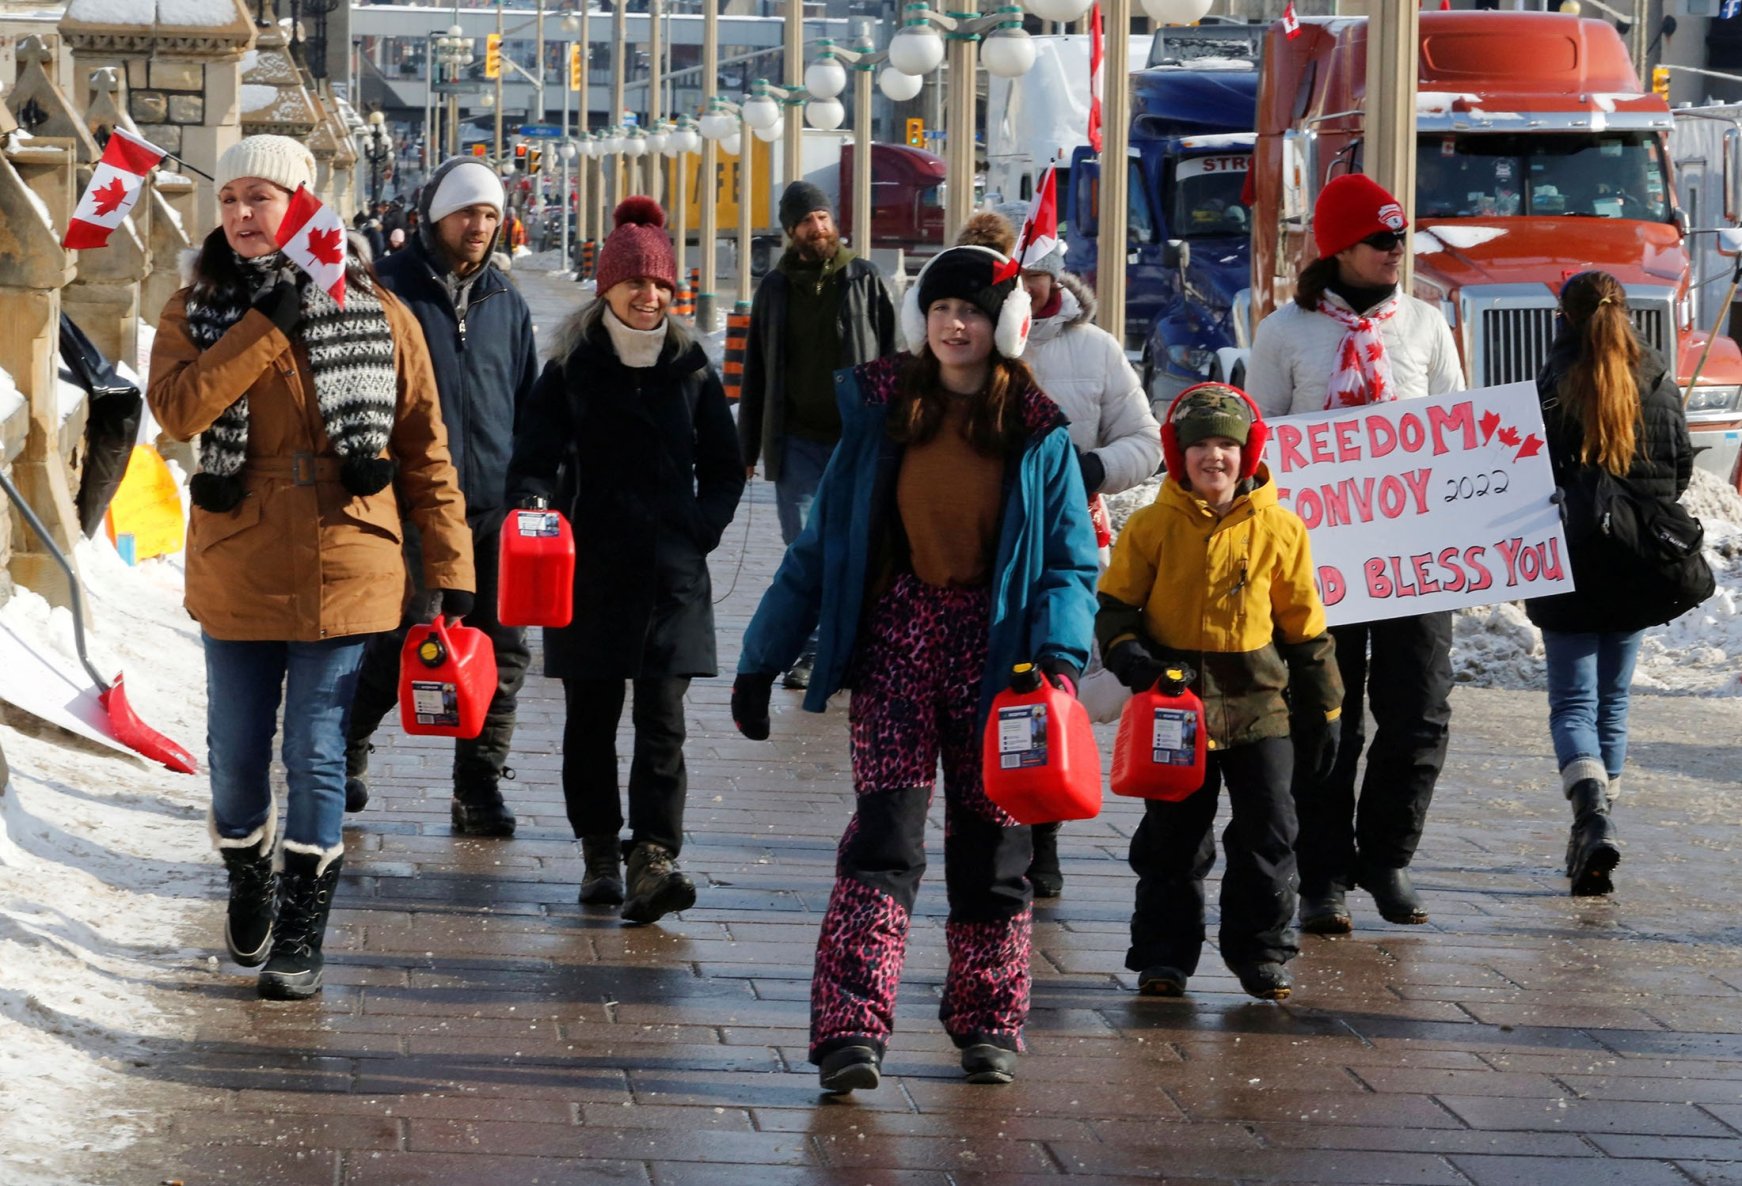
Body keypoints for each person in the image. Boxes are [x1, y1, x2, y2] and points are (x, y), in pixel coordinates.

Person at [731, 245, 1099, 1093]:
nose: (954, 325)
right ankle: (851, 1028)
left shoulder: (1036, 433)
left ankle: (988, 1020)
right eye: (939, 310)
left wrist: (1057, 659)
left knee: (993, 848)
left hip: (1000, 662)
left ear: (1004, 325)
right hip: (899, 645)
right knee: (884, 838)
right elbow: (820, 552)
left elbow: (1069, 566)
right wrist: (762, 660)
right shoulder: (882, 413)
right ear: (919, 319)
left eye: (971, 311)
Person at [147, 135, 474, 999]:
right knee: (236, 753)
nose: (243, 215)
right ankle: (248, 868)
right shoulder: (196, 308)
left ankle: (302, 927)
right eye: (231, 200)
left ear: (302, 206)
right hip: (238, 553)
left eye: (262, 198)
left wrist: (451, 565)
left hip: (348, 546)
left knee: (318, 748)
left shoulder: (379, 308)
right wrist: (266, 326)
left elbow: (423, 447)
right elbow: (179, 410)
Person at [507, 196, 745, 923]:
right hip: (587, 572)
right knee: (592, 719)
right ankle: (600, 853)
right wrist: (539, 510)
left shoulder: (691, 368)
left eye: (661, 287)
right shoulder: (572, 369)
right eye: (635, 284)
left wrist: (699, 529)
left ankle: (655, 854)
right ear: (607, 287)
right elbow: (532, 461)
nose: (649, 297)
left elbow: (728, 466)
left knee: (664, 721)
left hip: (673, 575)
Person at [1245, 173, 1464, 934]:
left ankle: (1389, 857)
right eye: (1380, 240)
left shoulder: (1427, 327)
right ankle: (1324, 874)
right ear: (1339, 247)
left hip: (1410, 559)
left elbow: (1451, 431)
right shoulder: (1284, 334)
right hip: (1318, 564)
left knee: (1422, 710)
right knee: (1325, 715)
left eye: (1402, 239)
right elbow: (1257, 443)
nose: (1395, 252)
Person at [1098, 383, 1342, 1001]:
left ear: (1248, 453)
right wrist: (1132, 659)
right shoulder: (1152, 526)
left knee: (1270, 831)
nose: (1214, 457)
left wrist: (1326, 706)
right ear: (1179, 455)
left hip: (1260, 704)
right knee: (1173, 838)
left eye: (1227, 445)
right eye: (1200, 445)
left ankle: (1260, 952)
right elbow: (1116, 609)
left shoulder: (1282, 529)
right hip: (1175, 706)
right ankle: (1164, 956)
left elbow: (1305, 625)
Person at [958, 208, 1163, 898]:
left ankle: (1040, 834)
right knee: (983, 696)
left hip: (1065, 543)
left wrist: (1091, 470)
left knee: (1052, 685)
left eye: (1034, 273)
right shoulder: (965, 343)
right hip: (977, 547)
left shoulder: (1096, 349)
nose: (1026, 287)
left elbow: (1147, 438)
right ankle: (987, 826)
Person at [342, 157, 541, 836]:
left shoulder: (505, 304)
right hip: (412, 504)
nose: (480, 226)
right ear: (436, 217)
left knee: (502, 649)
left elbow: (526, 406)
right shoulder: (388, 292)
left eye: (489, 214)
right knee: (403, 636)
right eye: (467, 213)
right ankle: (347, 746)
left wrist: (531, 490)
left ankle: (478, 784)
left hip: (490, 507)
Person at [1526, 271, 1693, 896]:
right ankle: (1601, 827)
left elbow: (1525, 469)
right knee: (1614, 703)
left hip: (1567, 562)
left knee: (1573, 704)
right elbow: (1676, 474)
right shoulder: (1655, 379)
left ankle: (1589, 816)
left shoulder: (1550, 386)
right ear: (1626, 315)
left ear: (1563, 320)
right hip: (1636, 564)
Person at [738, 180, 898, 690]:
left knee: (856, 546)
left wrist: (901, 429)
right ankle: (811, 653)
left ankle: (846, 648)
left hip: (858, 441)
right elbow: (756, 372)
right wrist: (746, 449)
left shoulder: (864, 278)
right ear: (791, 231)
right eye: (808, 220)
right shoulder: (776, 288)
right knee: (805, 548)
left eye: (824, 217)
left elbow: (894, 356)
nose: (819, 226)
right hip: (797, 442)